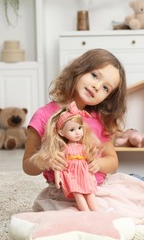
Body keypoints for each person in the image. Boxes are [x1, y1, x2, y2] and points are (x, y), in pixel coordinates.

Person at [22, 48, 127, 211]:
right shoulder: (43, 115)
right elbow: (27, 166)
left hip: (96, 190)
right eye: (94, 75)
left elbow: (112, 161)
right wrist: (45, 159)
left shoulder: (100, 120)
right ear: (79, 70)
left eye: (106, 88)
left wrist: (97, 163)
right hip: (62, 194)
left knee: (125, 205)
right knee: (63, 221)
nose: (97, 86)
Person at [31, 102, 101, 211]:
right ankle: (86, 213)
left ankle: (97, 211)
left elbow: (90, 162)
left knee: (89, 192)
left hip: (84, 173)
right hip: (71, 175)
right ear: (61, 133)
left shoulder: (83, 147)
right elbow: (58, 165)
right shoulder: (65, 149)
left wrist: (92, 173)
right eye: (72, 130)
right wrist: (58, 177)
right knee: (78, 193)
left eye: (79, 128)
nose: (77, 133)